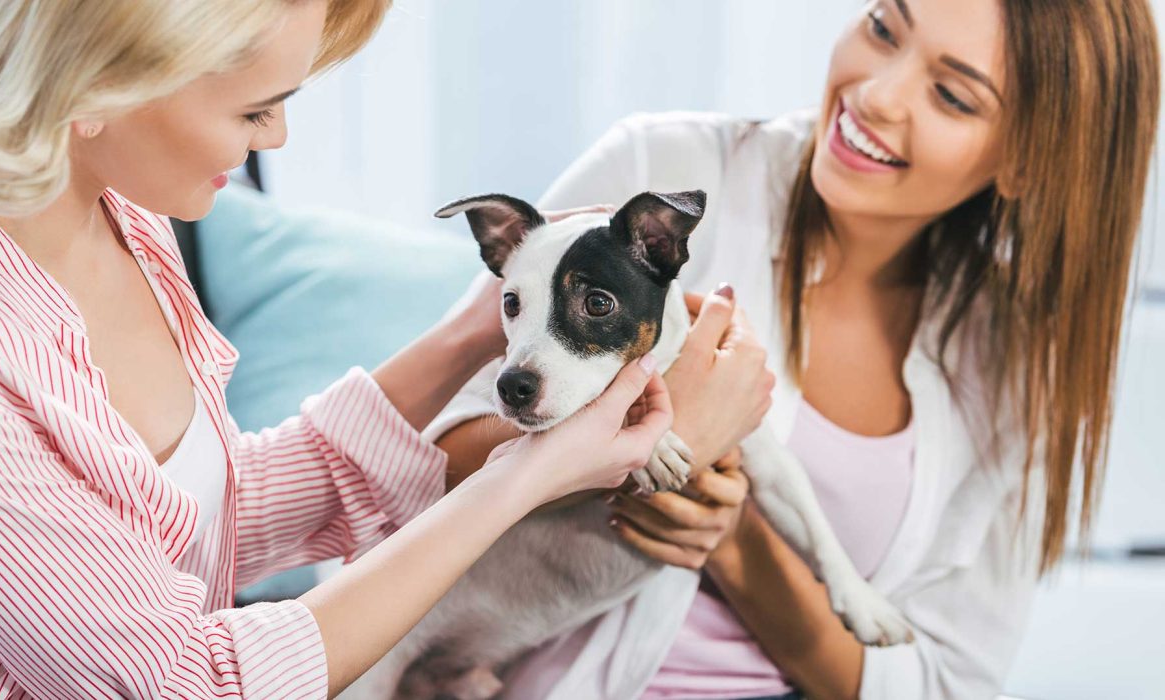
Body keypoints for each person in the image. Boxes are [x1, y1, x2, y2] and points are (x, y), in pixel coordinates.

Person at [0, 1, 768, 697]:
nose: (279, 138)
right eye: (256, 110)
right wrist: (527, 476)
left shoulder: (116, 208)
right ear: (95, 87)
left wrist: (469, 333)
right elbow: (190, 682)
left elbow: (214, 516)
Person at [434, 0, 1161, 698]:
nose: (876, 95)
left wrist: (733, 532)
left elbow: (943, 681)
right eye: (883, 26)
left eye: (951, 94)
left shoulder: (1014, 360)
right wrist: (630, 452)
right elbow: (424, 457)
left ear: (1027, 162)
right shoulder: (663, 166)